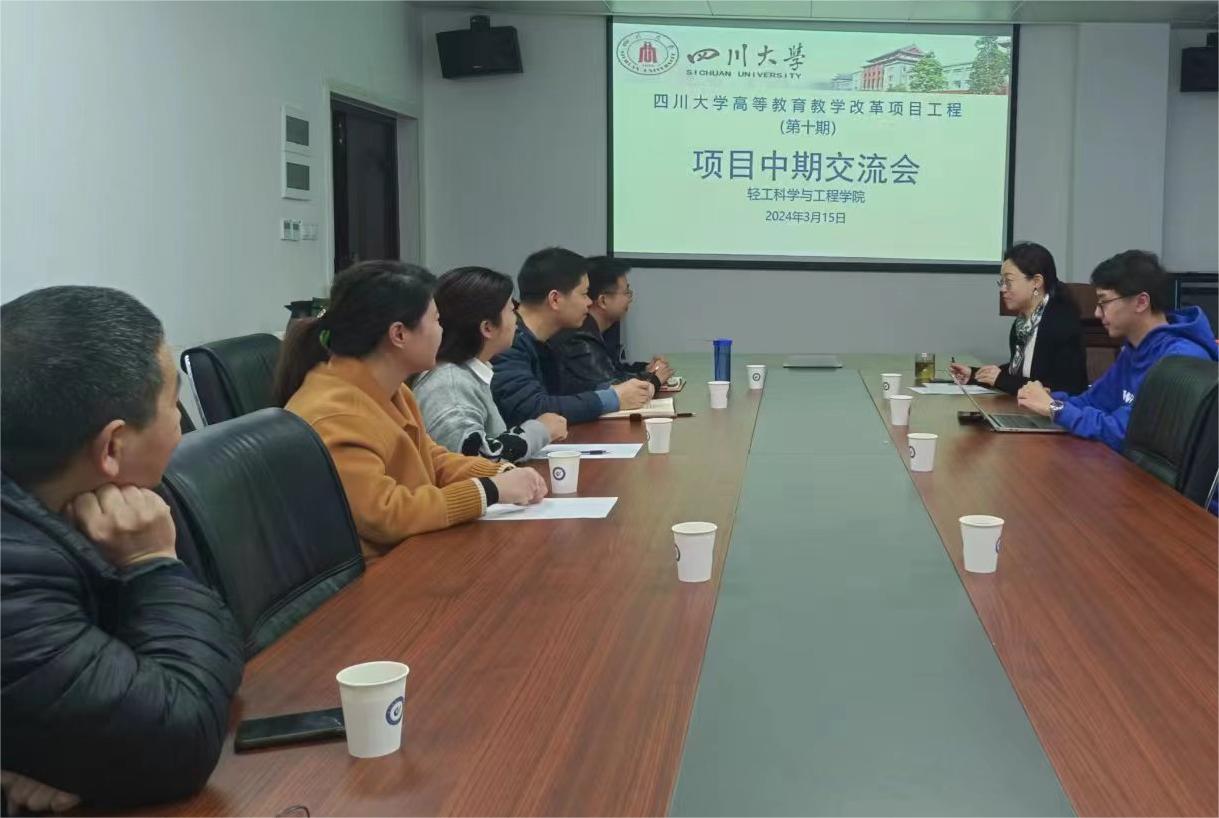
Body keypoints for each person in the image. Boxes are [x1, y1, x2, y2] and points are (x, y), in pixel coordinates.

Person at [1, 286, 245, 810]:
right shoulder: (12, 574)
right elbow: (181, 738)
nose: (180, 423)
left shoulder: (109, 507)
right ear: (112, 446)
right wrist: (153, 567)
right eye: (173, 404)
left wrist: (74, 751)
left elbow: (220, 645)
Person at [274, 261, 547, 559]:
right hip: (375, 573)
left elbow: (431, 458)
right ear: (399, 334)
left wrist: (498, 472)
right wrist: (489, 491)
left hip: (410, 552)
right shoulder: (338, 414)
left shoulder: (392, 389)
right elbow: (385, 514)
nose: (443, 331)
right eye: (437, 320)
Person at [1016, 249, 1218, 450]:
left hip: (1142, 469)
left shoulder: (1181, 360)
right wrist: (1050, 398)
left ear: (1141, 302)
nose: (1097, 313)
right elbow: (1094, 401)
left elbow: (1126, 433)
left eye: (1104, 302)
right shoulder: (1134, 349)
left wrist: (1056, 409)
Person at [414, 266, 568, 462]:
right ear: (487, 328)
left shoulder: (466, 373)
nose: (517, 319)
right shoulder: (449, 385)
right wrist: (541, 430)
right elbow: (477, 459)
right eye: (512, 310)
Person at [491, 247, 653, 428]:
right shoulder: (507, 342)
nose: (589, 302)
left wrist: (614, 390)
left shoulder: (546, 340)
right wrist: (613, 398)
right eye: (584, 294)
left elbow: (563, 392)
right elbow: (533, 409)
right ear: (555, 299)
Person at [949, 242, 1088, 396]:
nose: (1002, 289)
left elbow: (1061, 387)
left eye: (1008, 281)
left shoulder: (1061, 324)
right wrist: (974, 375)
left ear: (1036, 282)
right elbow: (1019, 371)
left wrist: (1001, 379)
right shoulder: (1022, 323)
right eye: (1002, 282)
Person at [553, 255, 675, 395]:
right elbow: (613, 389)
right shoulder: (579, 338)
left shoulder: (600, 331)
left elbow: (614, 371)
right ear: (603, 301)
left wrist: (646, 369)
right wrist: (654, 379)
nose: (630, 299)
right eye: (626, 292)